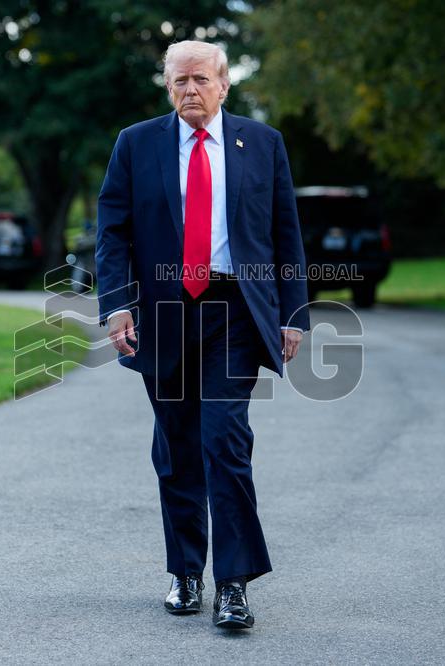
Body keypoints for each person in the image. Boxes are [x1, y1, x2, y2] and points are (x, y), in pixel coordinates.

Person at [95, 40, 310, 630]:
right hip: (164, 317)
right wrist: (115, 305)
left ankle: (233, 583)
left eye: (200, 79)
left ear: (223, 84)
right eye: (178, 81)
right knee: (177, 449)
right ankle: (185, 571)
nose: (189, 90)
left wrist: (294, 314)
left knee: (226, 442)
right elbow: (112, 231)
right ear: (168, 87)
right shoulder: (136, 144)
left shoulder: (262, 144)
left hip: (235, 313)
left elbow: (284, 234)